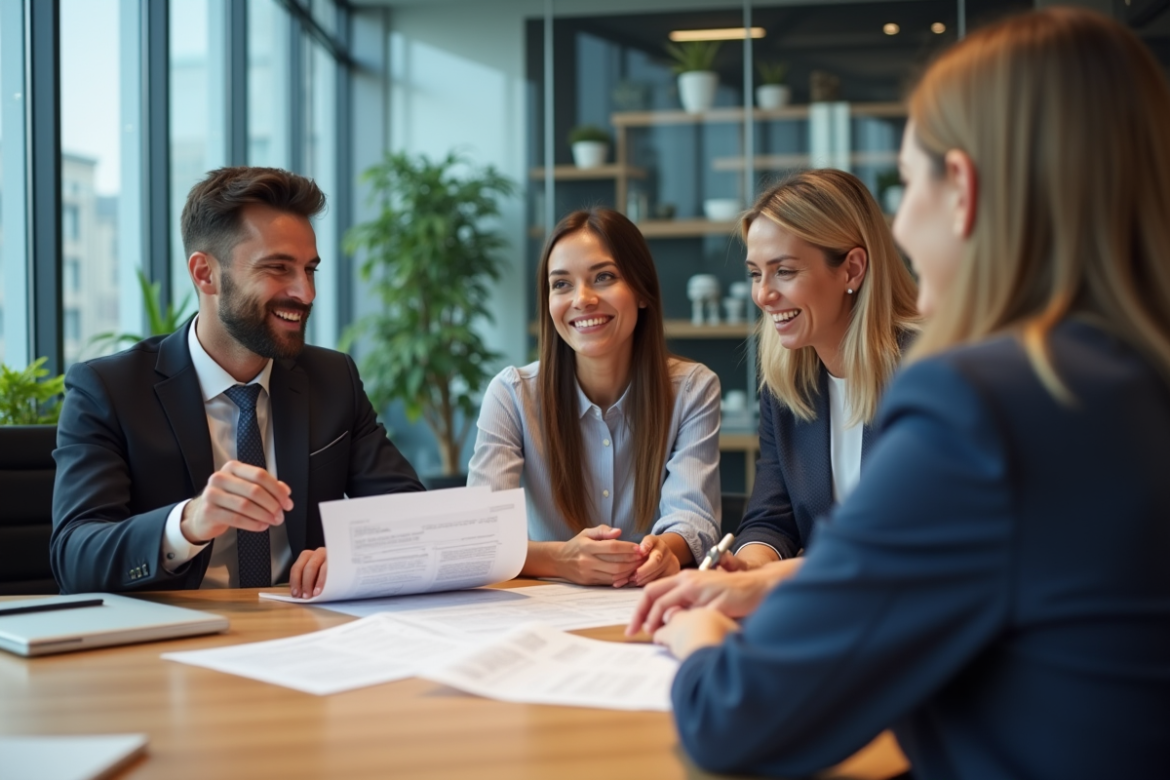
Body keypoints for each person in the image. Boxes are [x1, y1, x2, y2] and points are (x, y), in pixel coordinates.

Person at [631, 8, 1170, 779]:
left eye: (909, 184)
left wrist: (700, 643)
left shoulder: (982, 404)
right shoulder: (1127, 377)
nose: (904, 232)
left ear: (963, 191)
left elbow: (734, 718)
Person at [51, 167, 424, 597]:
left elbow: (410, 514)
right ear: (205, 273)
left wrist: (355, 554)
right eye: (278, 268)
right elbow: (75, 557)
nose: (305, 293)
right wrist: (189, 523)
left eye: (309, 270)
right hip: (175, 629)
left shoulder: (333, 379)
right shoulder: (108, 390)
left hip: (304, 624)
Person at [468, 208, 721, 587]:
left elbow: (693, 519)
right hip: (544, 610)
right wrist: (561, 560)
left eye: (604, 277)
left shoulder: (692, 389)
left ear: (642, 292)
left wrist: (665, 550)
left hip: (650, 598)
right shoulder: (512, 395)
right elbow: (481, 535)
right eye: (561, 284)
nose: (582, 299)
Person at [730, 169, 918, 575]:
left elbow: (916, 536)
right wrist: (745, 568)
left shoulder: (926, 371)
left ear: (852, 269)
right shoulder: (785, 386)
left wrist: (777, 579)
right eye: (755, 274)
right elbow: (770, 520)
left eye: (784, 271)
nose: (763, 295)